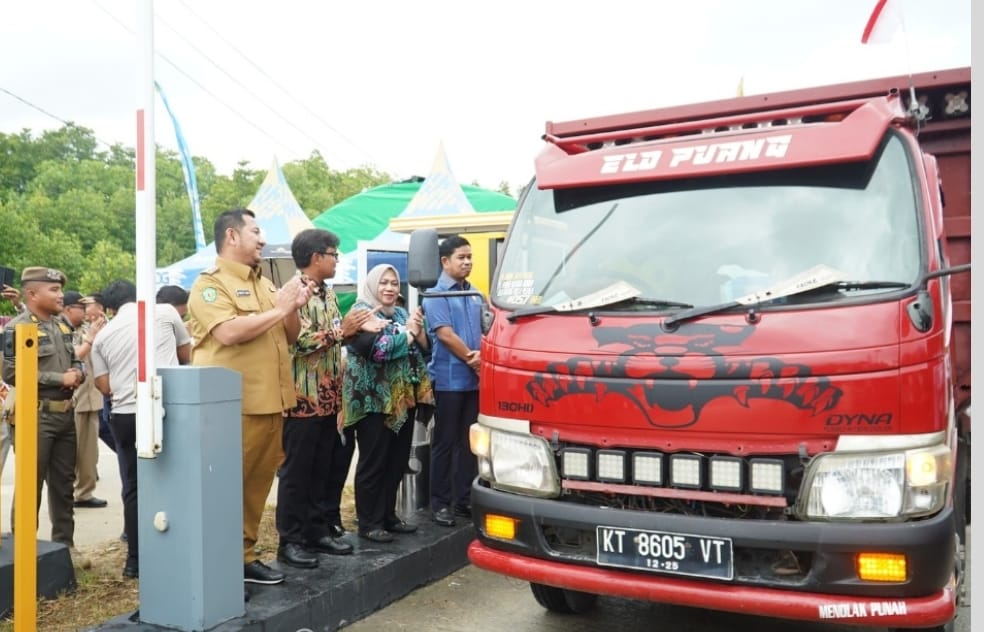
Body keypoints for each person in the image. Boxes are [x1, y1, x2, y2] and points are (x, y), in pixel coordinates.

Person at [186, 208, 312, 586]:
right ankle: (216, 565)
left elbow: (289, 335)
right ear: (232, 236)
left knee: (255, 487)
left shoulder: (265, 283)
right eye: (256, 231)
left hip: (270, 403)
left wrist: (292, 306)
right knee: (224, 488)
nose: (262, 240)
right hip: (232, 408)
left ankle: (243, 556)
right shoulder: (210, 285)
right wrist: (280, 308)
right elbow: (227, 333)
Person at [275, 229, 376, 568]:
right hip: (303, 399)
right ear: (316, 256)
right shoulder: (292, 292)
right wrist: (342, 332)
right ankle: (290, 540)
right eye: (334, 254)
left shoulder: (328, 293)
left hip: (329, 398)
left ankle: (316, 531)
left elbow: (334, 341)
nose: (337, 260)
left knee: (323, 468)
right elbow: (299, 343)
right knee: (297, 472)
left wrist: (353, 331)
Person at [91, 280, 191, 578]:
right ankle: (178, 547)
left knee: (133, 486)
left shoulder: (101, 336)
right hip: (165, 406)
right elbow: (186, 356)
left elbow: (103, 385)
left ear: (109, 308)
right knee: (175, 478)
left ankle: (135, 559)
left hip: (124, 414)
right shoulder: (165, 312)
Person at [0, 267, 89, 569]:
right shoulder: (16, 327)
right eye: (53, 290)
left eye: (60, 289)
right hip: (35, 417)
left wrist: (79, 372)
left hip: (65, 416)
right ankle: (22, 553)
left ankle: (66, 546)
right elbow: (10, 373)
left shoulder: (62, 324)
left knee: (64, 485)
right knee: (30, 485)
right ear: (32, 294)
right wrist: (58, 378)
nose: (60, 294)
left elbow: (75, 357)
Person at [343, 264, 433, 543]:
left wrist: (416, 334)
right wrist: (407, 335)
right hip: (372, 403)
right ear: (372, 285)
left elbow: (423, 348)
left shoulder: (403, 313)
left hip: (401, 402)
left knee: (395, 462)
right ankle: (369, 523)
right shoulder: (361, 312)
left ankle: (387, 516)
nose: (390, 288)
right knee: (374, 464)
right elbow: (377, 350)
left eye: (394, 283)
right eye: (383, 283)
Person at [422, 235, 482, 528]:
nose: (467, 262)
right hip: (448, 382)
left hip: (474, 382)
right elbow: (444, 335)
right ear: (445, 261)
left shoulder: (475, 293)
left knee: (468, 444)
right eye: (461, 257)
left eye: (470, 257)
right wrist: (475, 359)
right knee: (444, 443)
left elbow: (487, 326)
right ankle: (440, 504)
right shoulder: (435, 295)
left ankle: (463, 499)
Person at [62, 290, 109, 509]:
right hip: (76, 400)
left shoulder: (84, 329)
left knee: (90, 453)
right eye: (81, 308)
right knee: (73, 452)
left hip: (92, 398)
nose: (85, 311)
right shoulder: (61, 330)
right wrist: (90, 338)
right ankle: (69, 493)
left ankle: (84, 492)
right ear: (68, 309)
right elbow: (71, 358)